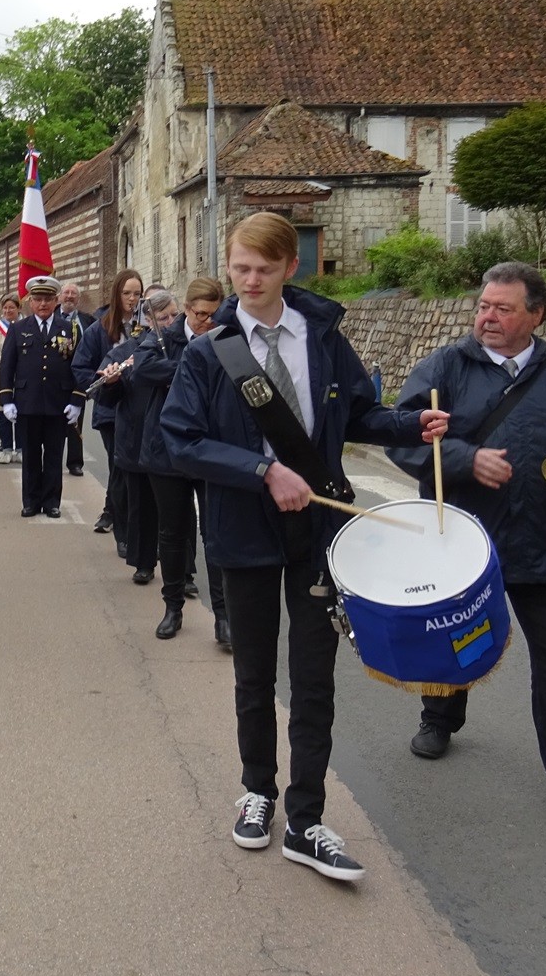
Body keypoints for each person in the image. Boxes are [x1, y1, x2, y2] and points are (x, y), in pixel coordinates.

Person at [162, 212, 448, 884]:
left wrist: (413, 421)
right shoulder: (209, 352)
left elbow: (359, 413)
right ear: (229, 266)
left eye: (264, 268)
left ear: (291, 267)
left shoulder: (321, 336)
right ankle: (258, 791)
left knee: (315, 676)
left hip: (318, 529)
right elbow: (178, 440)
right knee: (255, 673)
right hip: (244, 527)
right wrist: (261, 469)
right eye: (240, 267)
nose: (251, 280)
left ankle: (307, 814)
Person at [386, 262, 546, 809]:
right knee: (455, 634)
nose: (487, 318)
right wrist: (467, 459)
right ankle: (439, 718)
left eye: (503, 309)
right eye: (483, 306)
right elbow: (400, 438)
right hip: (462, 537)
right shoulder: (444, 367)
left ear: (536, 315)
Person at [100, 288, 195, 639]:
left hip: (175, 441)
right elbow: (113, 394)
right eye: (162, 317)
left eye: (173, 316)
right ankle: (143, 562)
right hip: (138, 436)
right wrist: (111, 379)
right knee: (140, 503)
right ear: (143, 320)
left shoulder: (186, 346)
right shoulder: (126, 351)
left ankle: (186, 573)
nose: (169, 323)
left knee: (182, 515)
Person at [0, 275, 82, 519]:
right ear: (30, 302)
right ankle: (31, 501)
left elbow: (80, 365)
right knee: (31, 455)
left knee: (54, 455)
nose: (43, 304)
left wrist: (77, 399)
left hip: (59, 403)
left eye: (47, 299)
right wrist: (7, 400)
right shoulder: (17, 329)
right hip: (28, 402)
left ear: (56, 301)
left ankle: (52, 501)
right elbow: (7, 367)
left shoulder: (69, 329)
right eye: (37, 299)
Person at [73, 271, 143, 553]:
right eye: (127, 293)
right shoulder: (99, 329)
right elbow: (80, 369)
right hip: (112, 412)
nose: (133, 299)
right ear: (116, 294)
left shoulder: (146, 328)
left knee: (141, 474)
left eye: (137, 294)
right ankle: (124, 535)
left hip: (142, 410)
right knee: (120, 471)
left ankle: (142, 531)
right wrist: (104, 380)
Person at [179, 278, 230, 647]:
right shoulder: (166, 339)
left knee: (214, 534)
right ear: (186, 309)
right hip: (176, 451)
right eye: (201, 315)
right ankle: (175, 600)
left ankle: (223, 616)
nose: (207, 322)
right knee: (175, 528)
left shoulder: (229, 343)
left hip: (214, 450)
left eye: (214, 315)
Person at [58, 282, 99, 476]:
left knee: (76, 423)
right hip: (55, 380)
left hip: (79, 380)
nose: (69, 296)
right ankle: (52, 459)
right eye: (66, 293)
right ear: (60, 297)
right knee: (54, 423)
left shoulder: (88, 320)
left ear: (78, 298)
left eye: (73, 294)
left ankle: (75, 462)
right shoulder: (52, 318)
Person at [0, 297, 21, 462]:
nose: (8, 311)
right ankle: (6, 447)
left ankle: (21, 448)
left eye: (11, 308)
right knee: (3, 412)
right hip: (2, 374)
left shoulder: (25, 325)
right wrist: (9, 364)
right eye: (5, 308)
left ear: (18, 309)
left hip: (22, 375)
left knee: (22, 412)